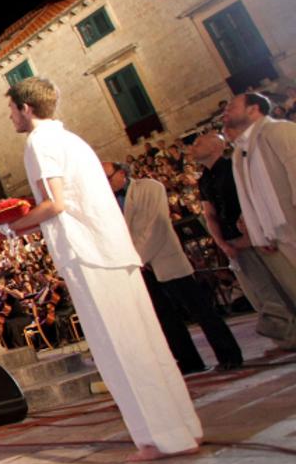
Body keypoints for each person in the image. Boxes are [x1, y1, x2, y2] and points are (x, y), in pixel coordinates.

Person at [0, 78, 200, 462]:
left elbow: (54, 204)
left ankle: (160, 438)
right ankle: (183, 427)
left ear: (26, 108)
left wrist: (4, 229)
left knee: (120, 349)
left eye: (11, 109)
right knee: (148, 342)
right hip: (113, 249)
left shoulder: (39, 142)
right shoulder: (72, 140)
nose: (9, 117)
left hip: (88, 253)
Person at [109, 163, 243, 373]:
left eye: (108, 177)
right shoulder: (107, 201)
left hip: (163, 258)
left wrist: (136, 259)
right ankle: (189, 362)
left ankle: (229, 355)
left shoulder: (150, 187)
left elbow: (155, 226)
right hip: (142, 269)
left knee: (200, 310)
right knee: (166, 319)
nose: (105, 183)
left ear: (122, 173)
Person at [193, 131, 296, 346]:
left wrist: (253, 232)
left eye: (199, 143)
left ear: (217, 146)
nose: (193, 147)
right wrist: (222, 243)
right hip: (234, 242)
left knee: (285, 283)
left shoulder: (234, 166)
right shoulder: (203, 180)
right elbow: (210, 214)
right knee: (262, 292)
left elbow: (252, 197)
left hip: (258, 236)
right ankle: (287, 338)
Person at [224, 92, 296, 350]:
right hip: (276, 235)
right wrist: (258, 232)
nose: (226, 111)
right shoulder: (239, 152)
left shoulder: (280, 131)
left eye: (232, 106)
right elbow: (250, 196)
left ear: (254, 109)